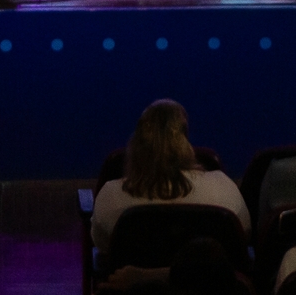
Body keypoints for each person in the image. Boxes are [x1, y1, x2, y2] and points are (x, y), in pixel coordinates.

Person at [89, 100, 251, 247]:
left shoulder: (111, 196)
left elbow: (101, 244)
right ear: (185, 139)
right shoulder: (223, 187)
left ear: (137, 142)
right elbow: (243, 234)